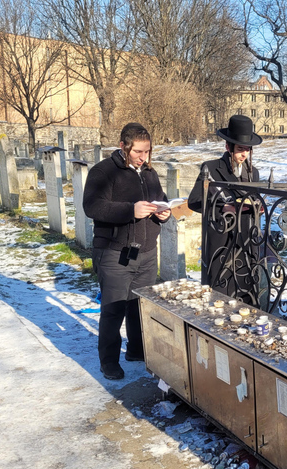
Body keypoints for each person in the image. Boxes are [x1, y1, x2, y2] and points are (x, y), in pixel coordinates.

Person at [83, 123, 170, 380]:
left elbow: (160, 199)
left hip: (146, 253)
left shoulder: (150, 173)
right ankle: (109, 361)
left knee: (138, 307)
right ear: (123, 146)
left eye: (148, 152)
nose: (144, 157)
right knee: (113, 308)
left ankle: (136, 350)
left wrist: (163, 214)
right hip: (114, 252)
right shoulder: (104, 172)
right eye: (138, 152)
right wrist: (129, 211)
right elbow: (93, 207)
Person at [188, 114, 262, 305]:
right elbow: (194, 201)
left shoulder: (254, 172)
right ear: (228, 147)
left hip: (247, 240)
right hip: (221, 241)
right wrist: (222, 207)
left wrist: (258, 207)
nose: (243, 154)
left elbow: (256, 199)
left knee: (247, 294)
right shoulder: (211, 169)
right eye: (239, 149)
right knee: (221, 296)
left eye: (247, 149)